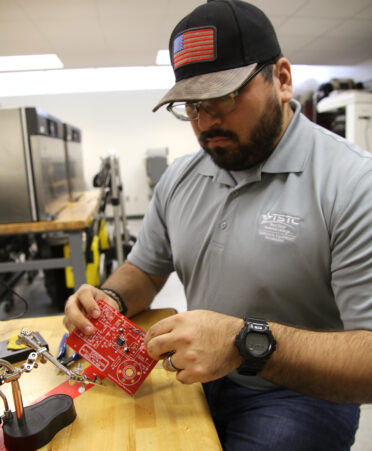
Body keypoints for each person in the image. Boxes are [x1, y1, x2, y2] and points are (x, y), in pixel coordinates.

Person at [64, 1, 372, 449]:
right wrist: (108, 299)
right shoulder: (181, 178)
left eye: (224, 97)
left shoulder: (352, 183)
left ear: (282, 80)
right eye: (190, 106)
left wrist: (245, 342)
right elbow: (146, 270)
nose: (206, 123)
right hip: (194, 377)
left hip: (298, 395)